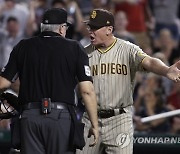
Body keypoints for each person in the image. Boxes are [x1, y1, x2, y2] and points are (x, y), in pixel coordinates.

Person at [76, 9, 180, 154]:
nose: (90, 31)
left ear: (109, 29)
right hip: (90, 118)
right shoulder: (83, 54)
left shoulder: (127, 49)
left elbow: (149, 62)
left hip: (119, 119)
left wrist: (166, 70)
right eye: (89, 27)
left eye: (95, 28)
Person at [0, 8, 99, 154]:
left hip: (29, 117)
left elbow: (3, 84)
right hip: (60, 118)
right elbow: (86, 90)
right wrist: (95, 125)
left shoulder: (23, 46)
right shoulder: (74, 47)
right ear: (61, 28)